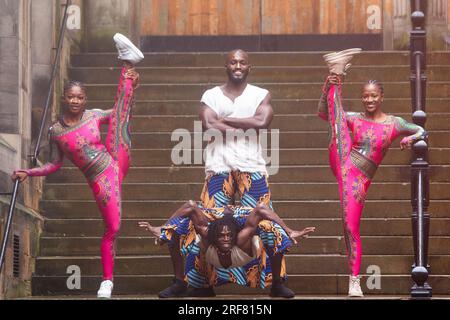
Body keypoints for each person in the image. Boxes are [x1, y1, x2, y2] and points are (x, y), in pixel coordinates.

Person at [11, 33, 144, 299]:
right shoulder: (55, 131)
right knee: (113, 228)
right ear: (64, 98)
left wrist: (132, 87)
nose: (75, 101)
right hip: (99, 178)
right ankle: (108, 281)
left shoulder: (93, 116)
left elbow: (119, 112)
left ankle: (128, 64)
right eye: (71, 97)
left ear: (84, 99)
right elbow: (53, 164)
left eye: (80, 97)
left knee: (118, 117)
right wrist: (30, 172)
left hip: (115, 159)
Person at [317, 49, 427, 297]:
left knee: (350, 224)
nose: (368, 100)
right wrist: (329, 86)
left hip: (360, 177)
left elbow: (421, 130)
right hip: (343, 158)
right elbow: (325, 113)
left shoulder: (394, 123)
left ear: (381, 97)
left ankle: (353, 278)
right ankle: (336, 73)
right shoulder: (355, 118)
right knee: (338, 123)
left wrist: (410, 139)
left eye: (373, 96)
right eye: (365, 96)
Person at [138, 201, 315, 298]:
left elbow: (261, 209)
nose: (224, 239)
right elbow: (191, 206)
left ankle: (277, 284)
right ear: (214, 236)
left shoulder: (241, 238)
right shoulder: (208, 235)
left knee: (271, 229)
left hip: (245, 253)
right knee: (177, 227)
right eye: (221, 236)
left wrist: (290, 231)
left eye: (228, 236)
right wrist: (164, 228)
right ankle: (179, 283)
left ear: (234, 235)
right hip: (212, 253)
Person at [199, 49, 274, 209]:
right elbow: (209, 124)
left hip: (251, 164)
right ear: (226, 66)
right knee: (212, 221)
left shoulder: (260, 94)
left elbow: (261, 122)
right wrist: (246, 129)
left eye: (242, 62)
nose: (238, 66)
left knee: (261, 221)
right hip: (219, 165)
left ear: (249, 67)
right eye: (233, 62)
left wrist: (225, 119)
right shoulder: (211, 95)